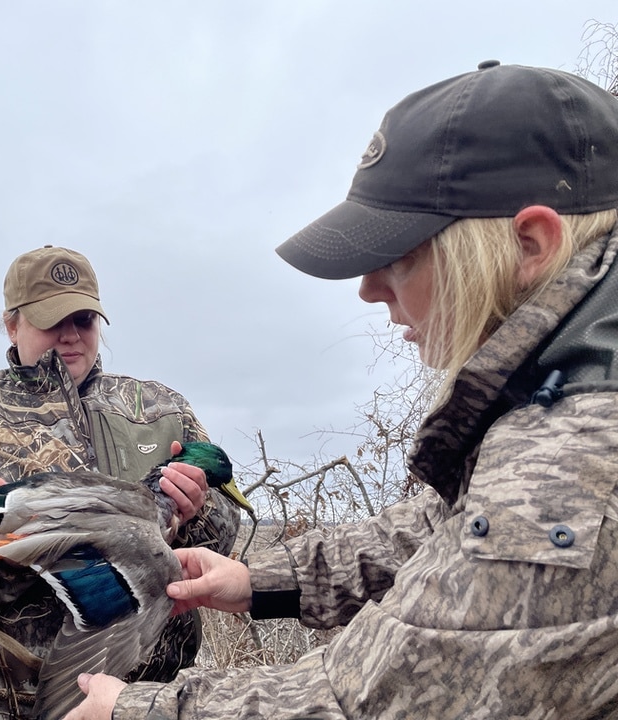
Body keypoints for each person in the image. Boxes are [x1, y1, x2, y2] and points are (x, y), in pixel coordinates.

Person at [67, 61, 618, 719]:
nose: (368, 288)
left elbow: (384, 700)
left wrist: (133, 712)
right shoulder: (556, 390)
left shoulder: (580, 451)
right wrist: (261, 581)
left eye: (401, 254)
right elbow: (447, 528)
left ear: (529, 244)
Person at [0, 245, 243, 719]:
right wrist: (1, 546)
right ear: (12, 324)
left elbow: (220, 544)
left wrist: (195, 512)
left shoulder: (161, 410)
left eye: (84, 320)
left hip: (142, 705)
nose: (70, 337)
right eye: (51, 321)